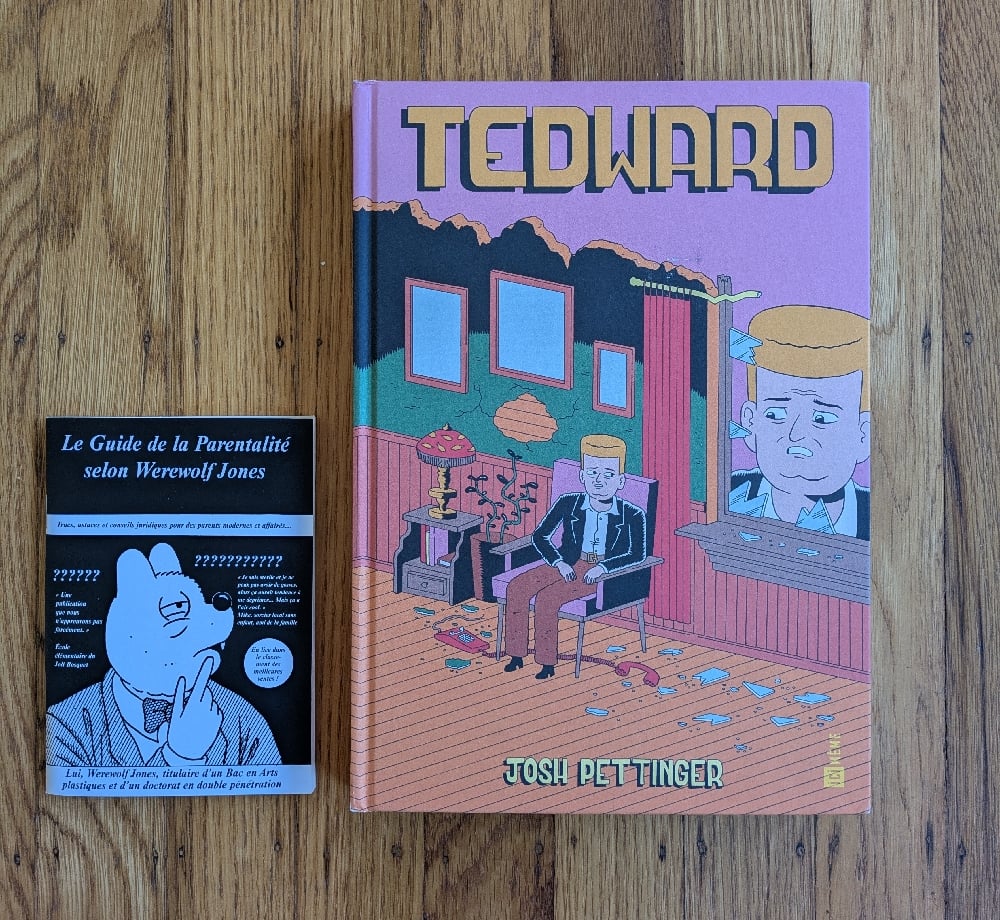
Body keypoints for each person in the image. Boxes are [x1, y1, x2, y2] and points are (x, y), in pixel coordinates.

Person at [47, 543, 281, 767]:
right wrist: (180, 757)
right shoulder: (66, 725)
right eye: (178, 608)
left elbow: (273, 787)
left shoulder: (243, 719)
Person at [504, 434, 647, 679]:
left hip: (600, 571)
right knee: (517, 587)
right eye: (592, 473)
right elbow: (540, 536)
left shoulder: (632, 514)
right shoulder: (568, 502)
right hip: (566, 561)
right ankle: (516, 655)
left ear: (621, 480)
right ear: (582, 476)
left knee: (548, 599)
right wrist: (558, 562)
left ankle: (547, 664)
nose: (599, 481)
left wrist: (603, 567)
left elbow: (637, 554)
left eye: (608, 475)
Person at [729, 305, 870, 539]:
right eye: (776, 414)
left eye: (822, 418)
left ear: (863, 435)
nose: (796, 436)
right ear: (750, 423)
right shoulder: (721, 497)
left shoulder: (877, 519)